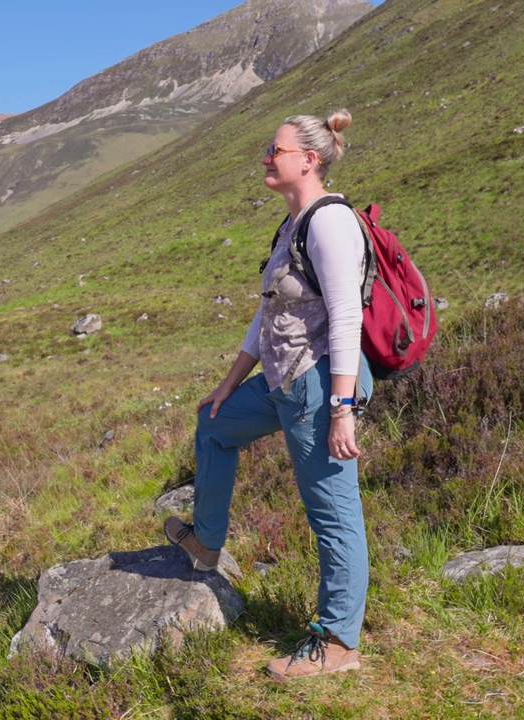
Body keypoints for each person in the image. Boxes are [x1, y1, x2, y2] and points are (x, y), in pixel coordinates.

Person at [163, 109, 373, 680]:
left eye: (274, 149)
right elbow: (268, 314)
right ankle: (206, 544)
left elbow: (348, 315)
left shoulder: (330, 222)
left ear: (309, 159)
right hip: (281, 380)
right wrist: (229, 384)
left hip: (319, 384)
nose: (265, 157)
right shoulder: (292, 223)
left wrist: (342, 408)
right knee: (214, 424)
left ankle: (337, 642)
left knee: (332, 513)